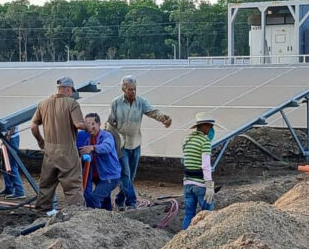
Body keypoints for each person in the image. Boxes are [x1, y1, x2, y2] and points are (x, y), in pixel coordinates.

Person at [106, 75, 172, 210]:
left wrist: (163, 118)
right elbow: (110, 123)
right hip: (122, 145)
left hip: (135, 142)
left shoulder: (141, 102)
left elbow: (152, 112)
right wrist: (112, 140)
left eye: (134, 89)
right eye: (130, 89)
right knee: (125, 174)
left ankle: (120, 200)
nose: (133, 92)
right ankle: (131, 202)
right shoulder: (116, 103)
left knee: (131, 176)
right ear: (123, 89)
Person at [31, 77, 86, 208]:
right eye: (71, 90)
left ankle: (42, 214)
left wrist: (40, 141)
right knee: (72, 186)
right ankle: (76, 214)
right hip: (67, 152)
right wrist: (89, 127)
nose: (72, 93)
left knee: (46, 186)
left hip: (49, 151)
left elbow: (33, 126)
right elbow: (78, 124)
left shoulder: (43, 104)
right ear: (68, 89)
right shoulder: (72, 103)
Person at [77, 113, 121, 210]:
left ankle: (95, 218)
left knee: (94, 197)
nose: (90, 127)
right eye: (87, 124)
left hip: (110, 175)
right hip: (97, 175)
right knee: (105, 200)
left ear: (99, 124)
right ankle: (109, 217)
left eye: (93, 124)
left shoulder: (106, 136)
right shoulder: (88, 139)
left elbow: (107, 147)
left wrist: (93, 148)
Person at [181, 112, 216, 230]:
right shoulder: (205, 142)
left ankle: (182, 238)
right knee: (209, 214)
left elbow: (187, 161)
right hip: (200, 184)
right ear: (205, 126)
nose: (211, 129)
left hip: (187, 183)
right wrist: (209, 185)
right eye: (210, 126)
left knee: (189, 214)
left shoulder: (187, 140)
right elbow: (206, 166)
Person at [0, 125, 25, 199]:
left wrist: (7, 138)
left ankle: (19, 191)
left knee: (11, 165)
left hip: (11, 138)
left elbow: (13, 125)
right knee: (4, 165)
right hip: (8, 137)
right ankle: (9, 188)